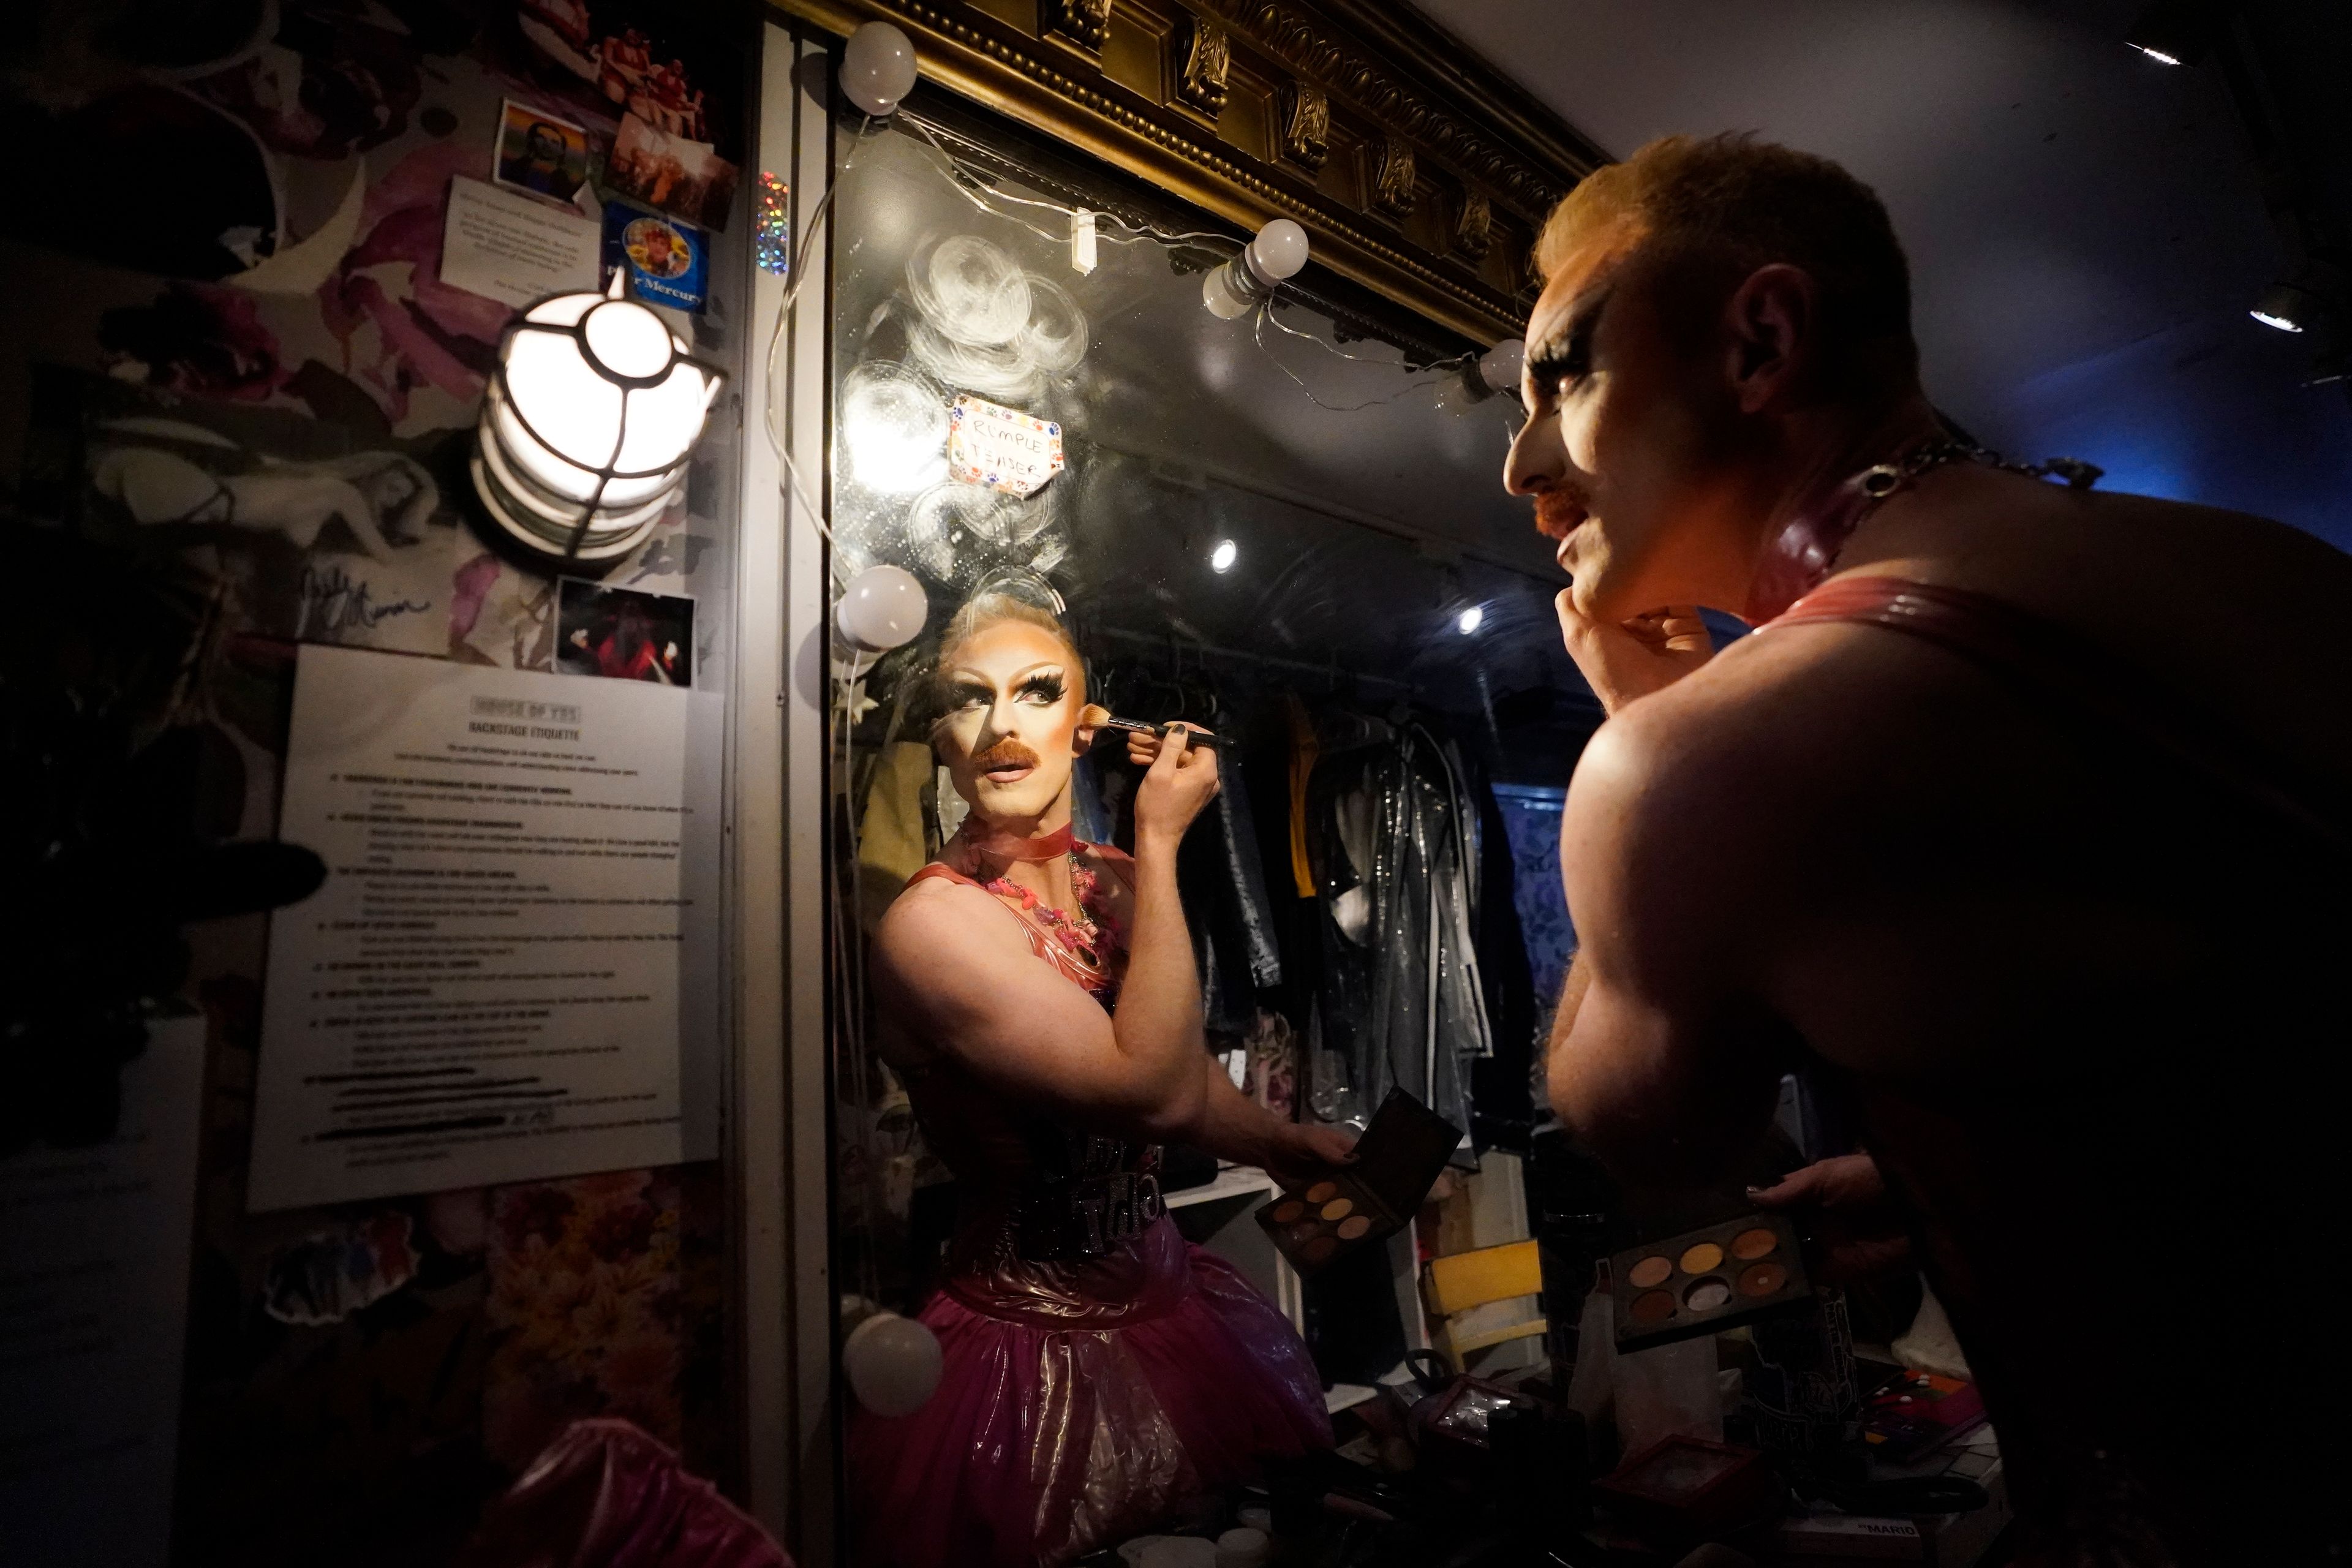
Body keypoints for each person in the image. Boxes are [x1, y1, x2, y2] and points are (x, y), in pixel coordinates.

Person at [1508, 134, 2352, 1564]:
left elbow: (1654, 1135)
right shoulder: (2284, 569)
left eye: (1564, 374)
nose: (1527, 464)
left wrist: (1649, 715)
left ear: (1761, 339)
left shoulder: (1696, 762)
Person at [849, 587, 1345, 1568]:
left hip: (1169, 1300)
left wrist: (1276, 1141)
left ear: (1084, 730)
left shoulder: (1109, 881)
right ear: (942, 743)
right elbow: (1149, 1094)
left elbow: (1188, 1080)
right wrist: (1164, 846)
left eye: (1036, 693)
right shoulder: (931, 927)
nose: (1000, 725)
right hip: (1023, 1343)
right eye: (967, 699)